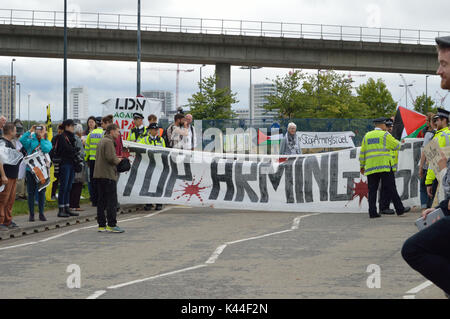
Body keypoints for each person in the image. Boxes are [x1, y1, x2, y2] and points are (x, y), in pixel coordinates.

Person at [402, 36, 450, 298]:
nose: (438, 70)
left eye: (443, 64)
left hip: (439, 181)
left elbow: (433, 160)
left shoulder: (439, 136)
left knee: (414, 249)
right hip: (443, 188)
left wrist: (428, 175)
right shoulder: (435, 136)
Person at [359, 117, 410, 219]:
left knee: (372, 190)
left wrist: (362, 166)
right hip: (384, 166)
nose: (386, 127)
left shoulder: (367, 136)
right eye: (385, 125)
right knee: (391, 188)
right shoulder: (385, 135)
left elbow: (362, 152)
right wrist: (401, 142)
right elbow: (397, 146)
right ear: (382, 125)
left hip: (371, 167)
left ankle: (372, 213)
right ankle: (399, 210)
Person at [94, 123, 125, 233]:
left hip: (99, 174)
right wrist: (119, 160)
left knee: (101, 201)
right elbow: (111, 158)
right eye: (117, 131)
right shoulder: (109, 142)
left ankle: (101, 225)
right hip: (108, 174)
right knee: (111, 201)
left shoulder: (102, 141)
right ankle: (112, 224)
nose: (118, 133)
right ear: (111, 131)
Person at [20, 124, 52, 222]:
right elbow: (22, 141)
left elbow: (46, 149)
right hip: (31, 170)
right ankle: (32, 214)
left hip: (42, 171)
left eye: (42, 129)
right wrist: (30, 131)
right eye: (38, 129)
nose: (40, 130)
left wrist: (42, 138)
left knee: (41, 191)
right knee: (30, 192)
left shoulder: (47, 141)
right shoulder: (31, 140)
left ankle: (41, 213)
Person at [53, 119, 80, 218]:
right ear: (67, 126)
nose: (74, 128)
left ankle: (67, 208)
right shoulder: (61, 137)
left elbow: (72, 150)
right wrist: (74, 150)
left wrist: (74, 151)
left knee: (69, 187)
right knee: (63, 187)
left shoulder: (71, 137)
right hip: (65, 164)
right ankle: (61, 209)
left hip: (71, 163)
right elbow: (65, 149)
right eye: (72, 126)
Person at [425, 108, 450, 204]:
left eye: (437, 120)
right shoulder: (441, 135)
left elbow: (433, 163)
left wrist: (429, 182)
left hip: (439, 178)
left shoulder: (438, 137)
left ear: (444, 120)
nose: (435, 122)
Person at [140, 122, 165, 211]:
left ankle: (159, 203)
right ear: (150, 130)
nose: (156, 131)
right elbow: (140, 149)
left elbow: (164, 152)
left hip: (158, 165)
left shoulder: (161, 140)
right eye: (154, 129)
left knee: (158, 184)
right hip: (148, 164)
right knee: (148, 184)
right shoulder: (144, 139)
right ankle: (149, 203)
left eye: (157, 129)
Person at [0, 123, 21, 230]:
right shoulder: (2, 143)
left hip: (12, 175)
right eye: (15, 130)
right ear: (10, 131)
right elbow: (0, 160)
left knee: (10, 199)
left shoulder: (9, 142)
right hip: (6, 176)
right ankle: (1, 221)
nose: (16, 132)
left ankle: (7, 220)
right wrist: (3, 176)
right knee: (3, 199)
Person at [419, 113, 438, 210]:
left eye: (427, 120)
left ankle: (424, 209)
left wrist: (421, 166)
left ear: (431, 122)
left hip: (429, 166)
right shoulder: (443, 133)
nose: (425, 122)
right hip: (440, 167)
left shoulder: (429, 134)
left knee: (424, 187)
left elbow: (424, 152)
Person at [84, 117, 104, 206]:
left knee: (93, 181)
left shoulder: (91, 134)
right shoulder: (104, 134)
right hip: (102, 161)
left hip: (92, 161)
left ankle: (94, 201)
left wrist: (85, 159)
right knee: (101, 181)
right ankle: (101, 200)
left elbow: (87, 148)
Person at [69, 124, 86, 212]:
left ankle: (70, 204)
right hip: (78, 165)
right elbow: (82, 154)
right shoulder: (78, 140)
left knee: (72, 185)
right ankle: (76, 205)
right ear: (79, 131)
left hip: (71, 164)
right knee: (78, 185)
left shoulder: (70, 138)